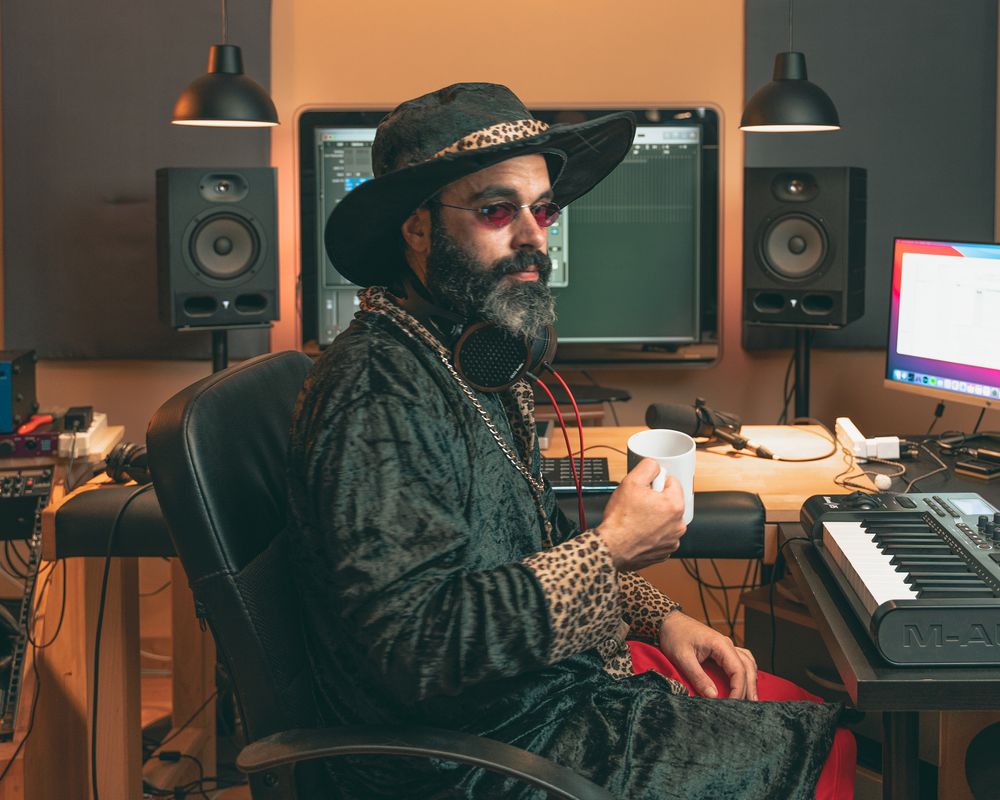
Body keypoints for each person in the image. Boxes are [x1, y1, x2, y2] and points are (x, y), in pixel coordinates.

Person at [287, 82, 854, 799]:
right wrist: (611, 548)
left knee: (796, 713)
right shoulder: (377, 391)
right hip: (473, 759)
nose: (534, 236)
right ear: (417, 229)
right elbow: (420, 646)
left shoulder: (469, 352)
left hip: (546, 697)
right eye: (497, 210)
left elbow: (526, 549)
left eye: (544, 210)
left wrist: (661, 616)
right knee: (826, 755)